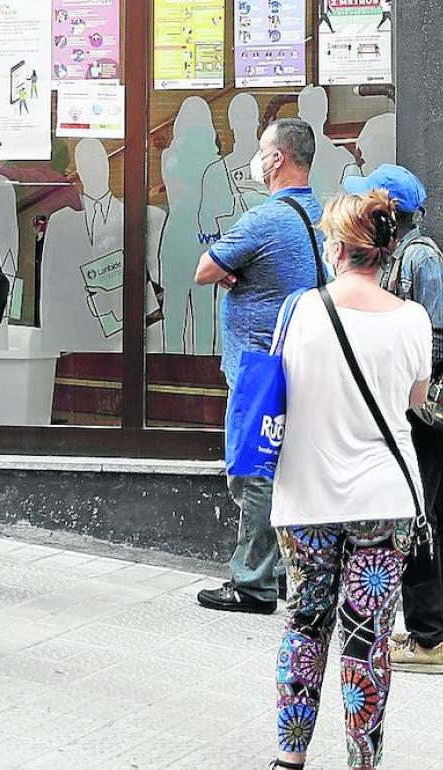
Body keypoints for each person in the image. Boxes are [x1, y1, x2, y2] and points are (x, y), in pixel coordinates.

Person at [268, 190, 432, 770]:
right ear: (385, 252)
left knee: (305, 624)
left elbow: (276, 385)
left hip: (305, 495)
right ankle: (363, 762)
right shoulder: (412, 320)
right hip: (385, 495)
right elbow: (415, 399)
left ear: (336, 247)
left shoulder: (297, 311)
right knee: (368, 638)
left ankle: (289, 758)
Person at [194, 117, 325, 615]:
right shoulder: (320, 212)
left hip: (260, 368)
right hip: (306, 361)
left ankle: (252, 583)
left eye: (262, 149)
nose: (257, 157)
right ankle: (288, 574)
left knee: (253, 472)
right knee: (289, 470)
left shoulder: (265, 218)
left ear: (277, 159)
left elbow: (205, 269)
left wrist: (233, 271)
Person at [345, 165, 443, 674]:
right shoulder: (401, 254)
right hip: (416, 409)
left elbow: (436, 337)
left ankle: (429, 638)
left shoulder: (420, 256)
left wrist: (403, 383)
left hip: (425, 413)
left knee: (420, 515)